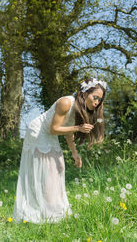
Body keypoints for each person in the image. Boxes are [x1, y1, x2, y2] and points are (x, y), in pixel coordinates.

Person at [13, 78, 107, 224]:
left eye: (99, 100)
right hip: (38, 132)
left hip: (51, 134)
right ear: (84, 93)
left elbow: (68, 131)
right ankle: (42, 213)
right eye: (95, 97)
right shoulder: (66, 102)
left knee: (59, 167)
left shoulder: (80, 109)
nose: (97, 103)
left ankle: (53, 212)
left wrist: (75, 154)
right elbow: (54, 128)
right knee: (48, 170)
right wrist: (78, 128)